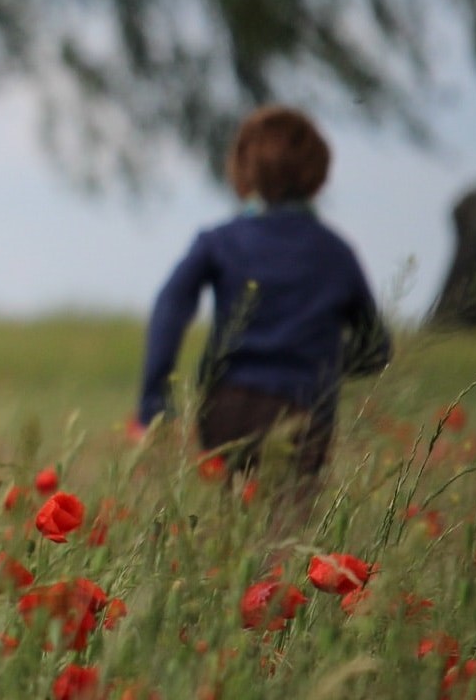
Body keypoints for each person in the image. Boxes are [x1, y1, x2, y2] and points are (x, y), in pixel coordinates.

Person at [136, 105, 392, 477]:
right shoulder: (336, 253)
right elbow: (376, 348)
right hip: (304, 410)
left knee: (233, 506)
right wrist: (320, 365)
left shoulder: (219, 242)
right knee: (289, 510)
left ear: (242, 170)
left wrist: (154, 403)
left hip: (227, 407)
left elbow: (169, 309)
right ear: (317, 174)